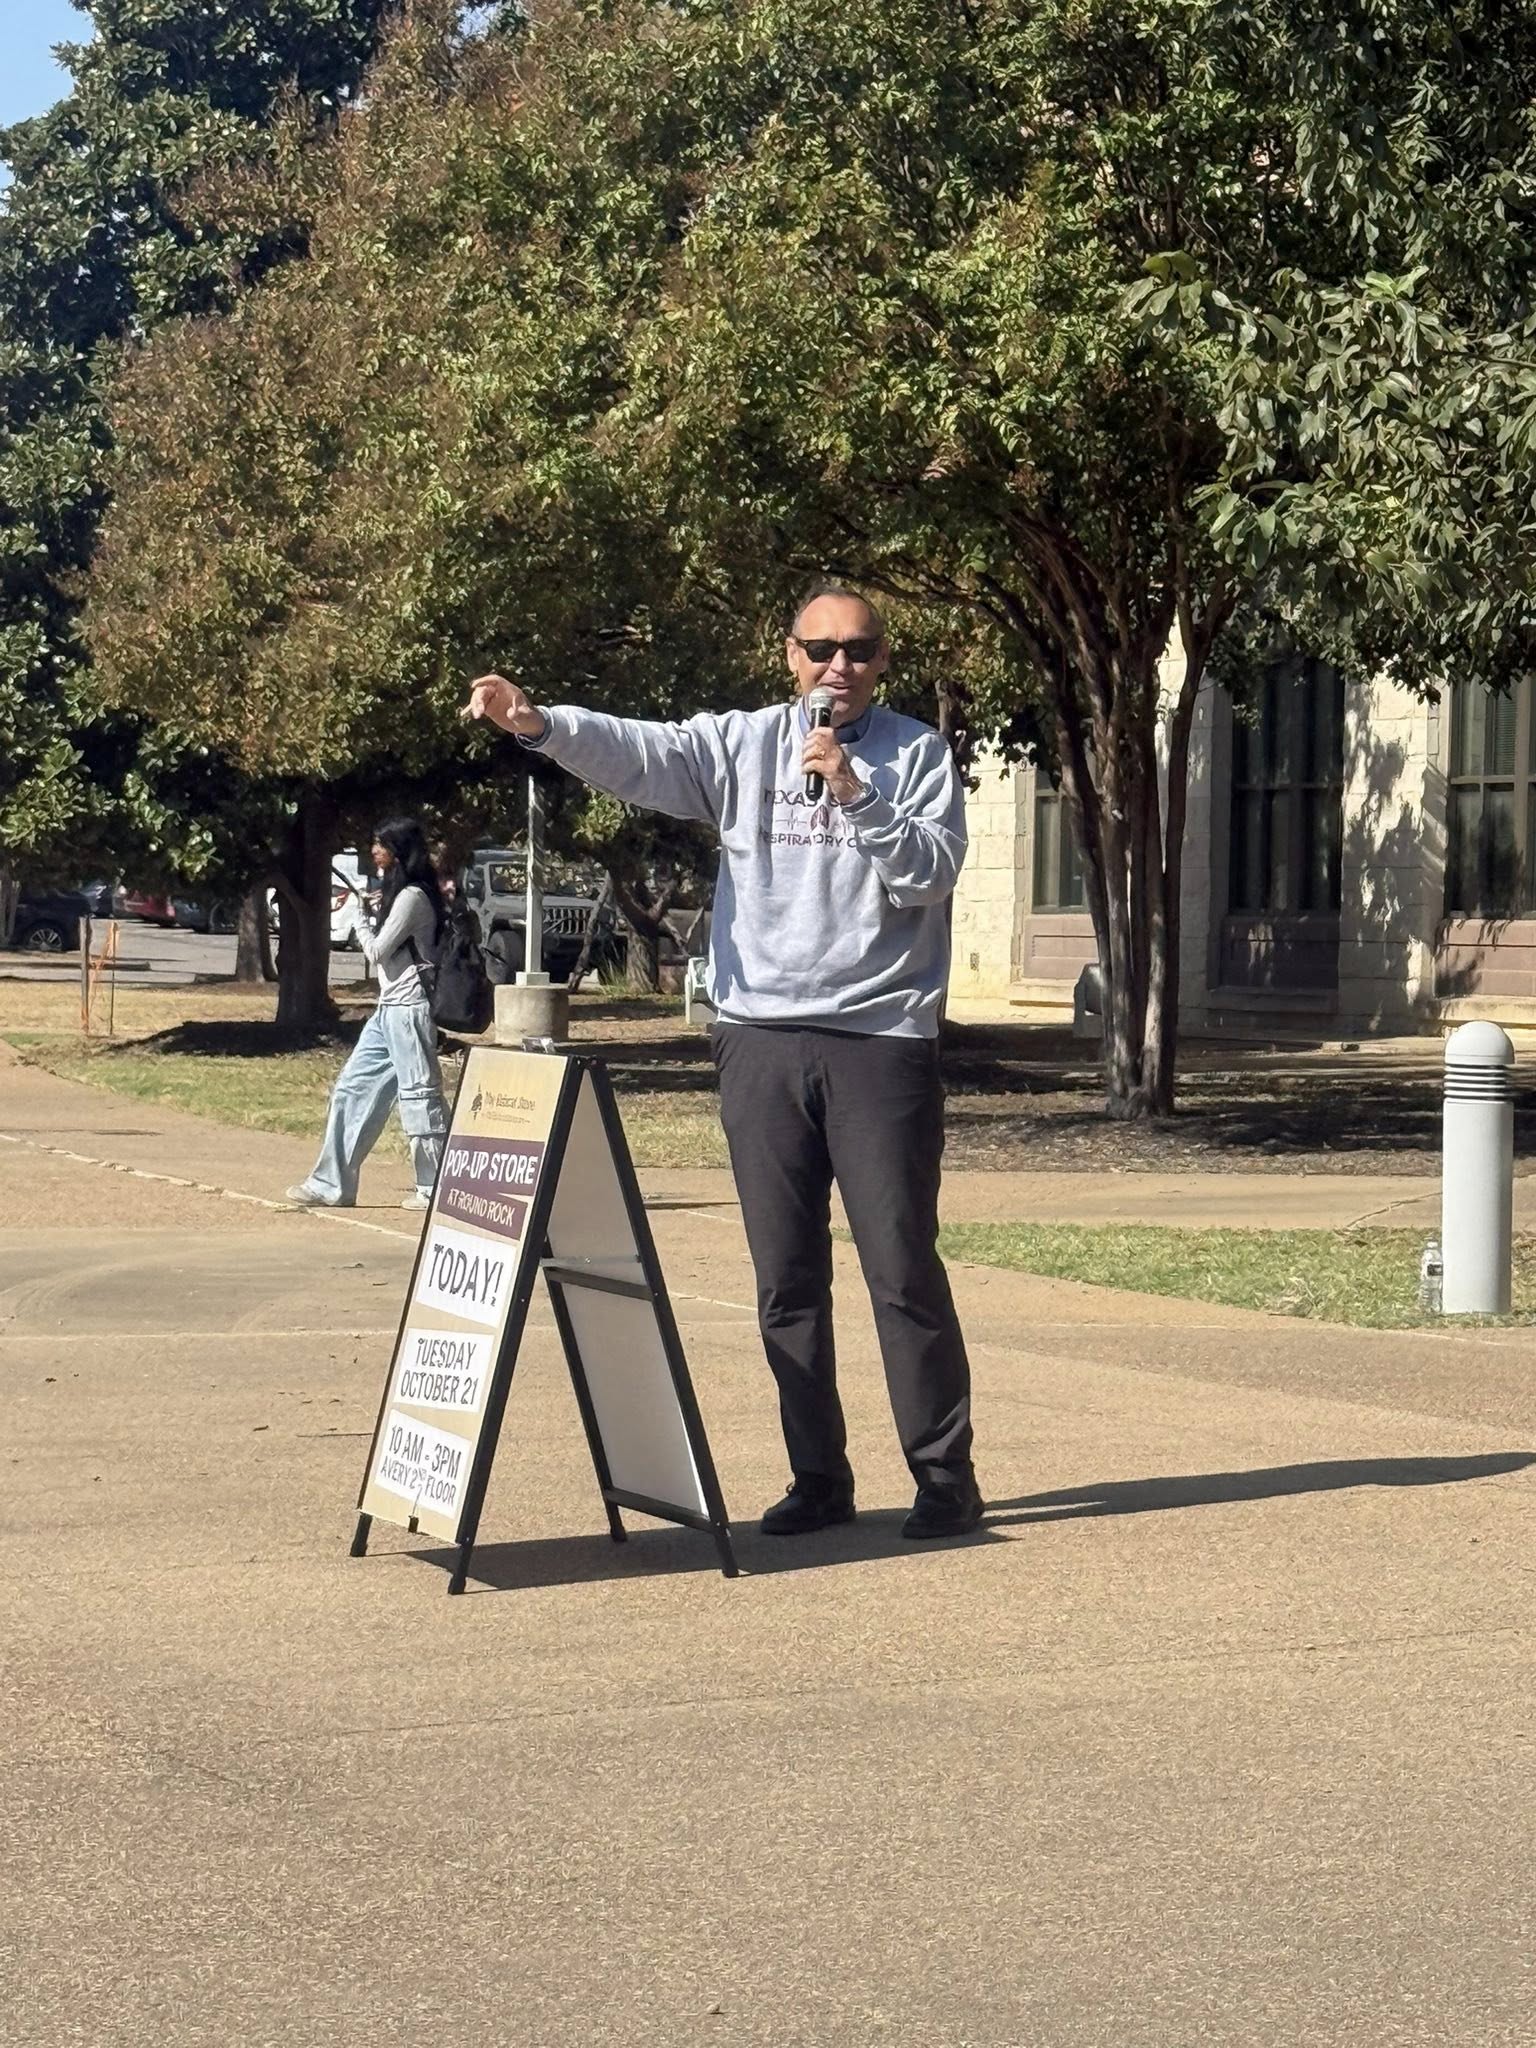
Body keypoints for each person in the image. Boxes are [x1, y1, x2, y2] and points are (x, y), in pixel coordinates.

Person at [464, 586, 983, 1540]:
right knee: (786, 1277)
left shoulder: (916, 754)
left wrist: (853, 792)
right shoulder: (741, 745)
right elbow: (642, 751)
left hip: (880, 1043)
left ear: (882, 662)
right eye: (821, 648)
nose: (840, 666)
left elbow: (929, 875)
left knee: (900, 1269)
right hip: (760, 1040)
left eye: (860, 651)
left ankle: (945, 1478)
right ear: (788, 653)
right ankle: (818, 1478)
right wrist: (540, 726)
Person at [286, 817, 449, 1214]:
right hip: (388, 1009)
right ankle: (331, 1184)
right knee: (351, 1089)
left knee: (419, 1096)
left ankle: (437, 1188)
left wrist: (359, 918)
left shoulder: (413, 896)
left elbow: (377, 952)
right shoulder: (399, 894)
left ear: (400, 850)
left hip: (410, 1009)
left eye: (382, 844)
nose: (374, 851)